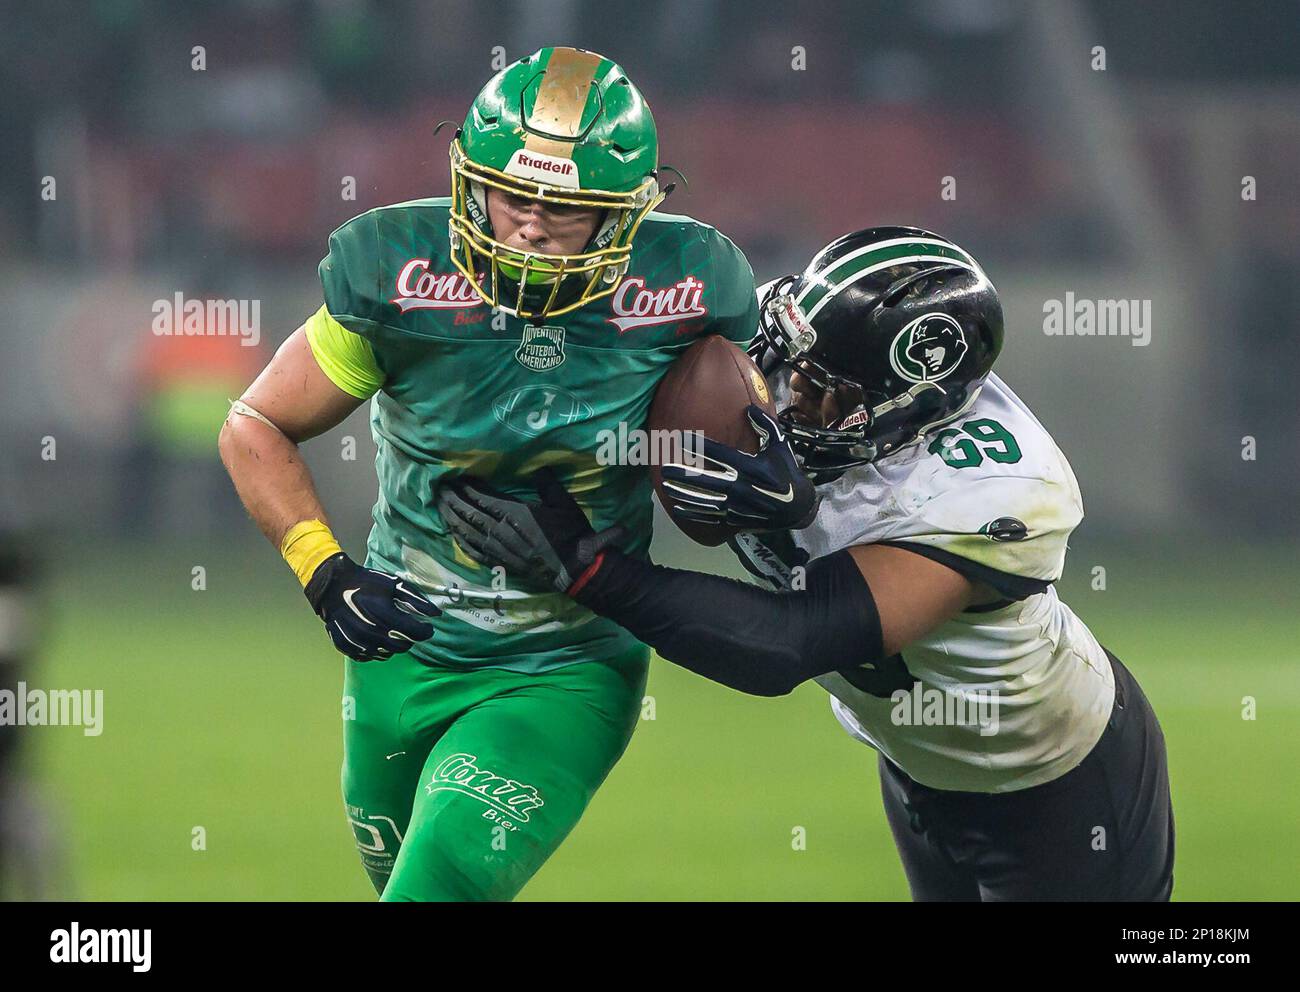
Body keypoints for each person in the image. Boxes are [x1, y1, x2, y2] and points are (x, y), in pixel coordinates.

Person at [438, 226, 1176, 901]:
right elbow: (610, 362)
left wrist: (591, 572)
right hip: (918, 763)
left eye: (827, 390)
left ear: (907, 407)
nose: (791, 396)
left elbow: (790, 642)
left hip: (1057, 786)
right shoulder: (780, 343)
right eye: (793, 368)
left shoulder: (992, 490)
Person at [218, 47, 758, 901]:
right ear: (471, 183)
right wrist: (325, 572)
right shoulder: (398, 273)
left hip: (564, 661)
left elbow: (760, 435)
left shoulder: (689, 287)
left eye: (567, 208)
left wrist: (774, 483)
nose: (532, 226)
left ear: (623, 214)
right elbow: (256, 423)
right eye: (513, 197)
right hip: (403, 648)